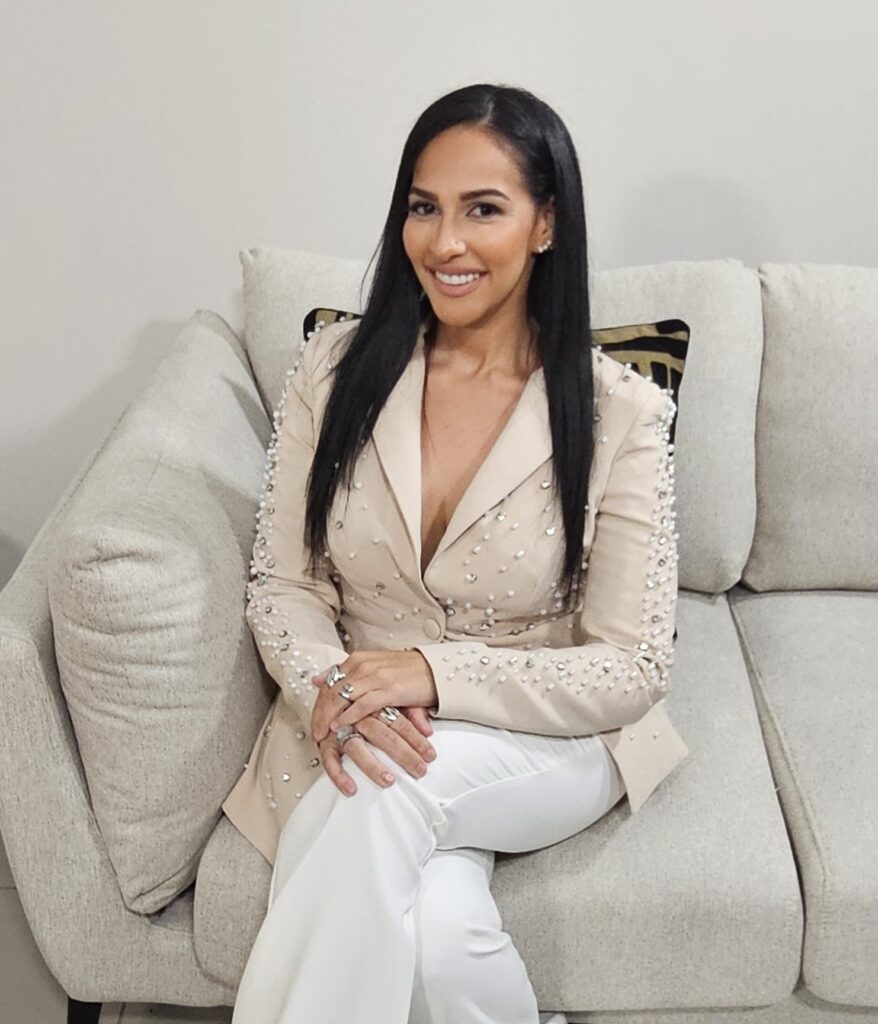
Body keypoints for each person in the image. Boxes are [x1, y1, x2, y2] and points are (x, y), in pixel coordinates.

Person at [224, 81, 688, 1024]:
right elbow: (284, 581)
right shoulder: (333, 369)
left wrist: (432, 675)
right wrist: (334, 690)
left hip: (549, 733)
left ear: (545, 224)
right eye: (423, 207)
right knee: (440, 933)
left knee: (384, 796)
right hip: (361, 716)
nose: (444, 243)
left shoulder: (623, 412)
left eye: (483, 209)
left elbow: (633, 665)